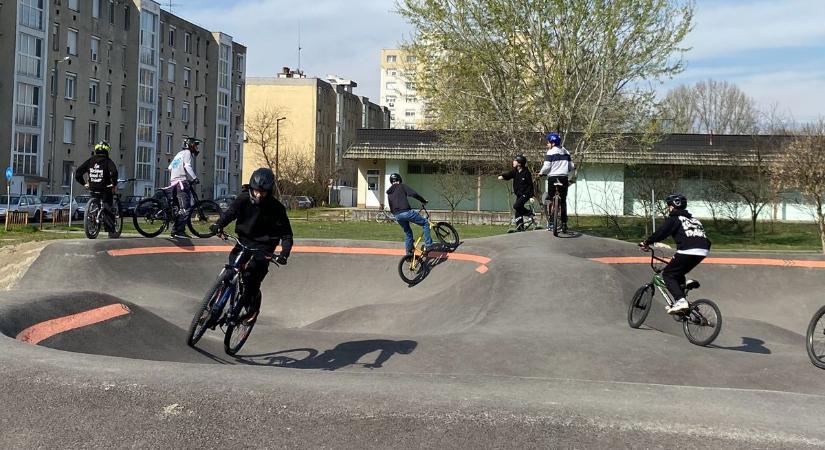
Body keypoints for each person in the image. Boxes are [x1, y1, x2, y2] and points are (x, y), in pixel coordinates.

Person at [209, 168, 292, 324]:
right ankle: (215, 301)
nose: (258, 195)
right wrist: (218, 225)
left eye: (263, 192)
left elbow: (287, 235)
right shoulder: (243, 199)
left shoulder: (277, 209)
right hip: (244, 241)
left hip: (264, 247)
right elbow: (230, 213)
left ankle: (251, 309)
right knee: (231, 269)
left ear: (269, 191)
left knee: (250, 279)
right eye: (255, 191)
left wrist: (284, 254)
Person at [640, 193, 711, 314]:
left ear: (673, 206)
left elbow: (662, 233)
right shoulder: (695, 220)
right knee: (678, 272)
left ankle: (680, 300)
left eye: (669, 205)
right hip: (703, 250)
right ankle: (683, 288)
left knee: (668, 274)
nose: (668, 208)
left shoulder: (674, 218)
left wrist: (647, 242)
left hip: (688, 249)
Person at [74, 141, 119, 238]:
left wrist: (84, 183)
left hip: (93, 188)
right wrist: (114, 183)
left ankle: (93, 221)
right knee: (107, 207)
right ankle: (111, 231)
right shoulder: (107, 161)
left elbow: (78, 173)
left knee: (96, 205)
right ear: (107, 151)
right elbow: (114, 172)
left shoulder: (90, 161)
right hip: (105, 188)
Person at [386, 173, 433, 255]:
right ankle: (428, 245)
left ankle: (408, 254)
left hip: (397, 215)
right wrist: (423, 201)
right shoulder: (402, 186)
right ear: (399, 179)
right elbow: (413, 194)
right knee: (425, 223)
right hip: (406, 212)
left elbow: (391, 206)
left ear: (391, 181)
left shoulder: (389, 193)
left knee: (408, 232)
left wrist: (396, 215)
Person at [538, 132, 575, 233]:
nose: (547, 144)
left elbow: (546, 167)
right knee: (563, 201)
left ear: (553, 143)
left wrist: (541, 173)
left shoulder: (550, 153)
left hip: (553, 178)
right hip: (563, 178)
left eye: (548, 142)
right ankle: (564, 223)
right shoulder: (566, 152)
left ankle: (551, 220)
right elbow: (571, 166)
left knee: (550, 198)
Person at [168, 137, 201, 238]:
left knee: (178, 208)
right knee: (185, 208)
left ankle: (175, 229)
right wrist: (194, 178)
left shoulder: (179, 154)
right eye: (195, 145)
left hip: (173, 182)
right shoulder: (187, 153)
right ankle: (179, 231)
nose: (196, 148)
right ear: (190, 145)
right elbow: (187, 166)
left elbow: (170, 168)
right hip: (181, 182)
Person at [498, 154, 534, 231]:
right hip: (519, 194)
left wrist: (531, 196)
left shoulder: (526, 173)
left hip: (525, 194)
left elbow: (530, 185)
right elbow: (509, 175)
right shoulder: (515, 171)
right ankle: (520, 227)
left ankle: (529, 213)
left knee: (516, 206)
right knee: (518, 211)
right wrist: (503, 176)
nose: (513, 162)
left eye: (515, 161)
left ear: (519, 163)